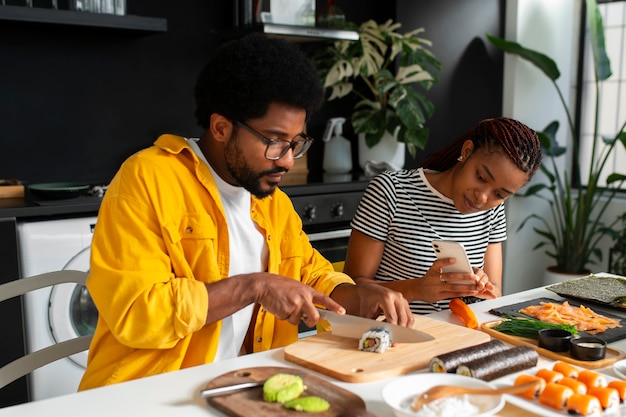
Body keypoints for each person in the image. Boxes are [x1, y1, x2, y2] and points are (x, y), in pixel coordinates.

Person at [78, 34, 412, 391]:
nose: (286, 160)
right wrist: (253, 286)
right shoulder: (147, 177)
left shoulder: (271, 199)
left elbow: (311, 276)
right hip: (149, 394)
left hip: (246, 388)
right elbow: (136, 313)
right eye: (273, 141)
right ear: (221, 127)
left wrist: (361, 295)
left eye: (295, 143)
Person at [344, 117, 542, 315]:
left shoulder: (493, 211)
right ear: (466, 152)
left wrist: (481, 288)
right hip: (392, 337)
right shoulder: (391, 191)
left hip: (459, 337)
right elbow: (351, 290)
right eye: (480, 177)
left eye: (499, 194)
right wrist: (415, 289)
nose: (482, 198)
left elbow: (495, 294)